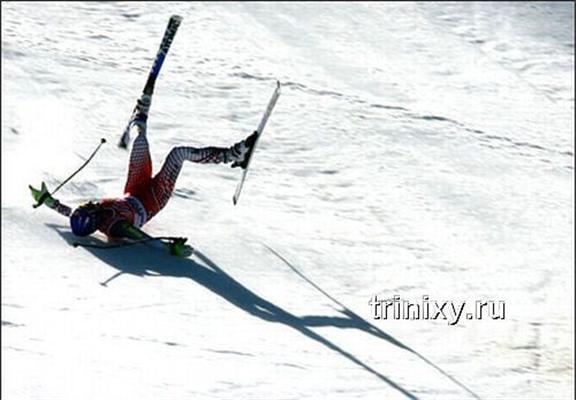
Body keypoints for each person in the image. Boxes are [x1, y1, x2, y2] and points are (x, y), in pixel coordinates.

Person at [29, 91, 258, 257]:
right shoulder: (116, 226)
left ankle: (140, 116)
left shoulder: (88, 214)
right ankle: (232, 156)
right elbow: (145, 240)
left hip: (135, 188)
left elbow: (67, 212)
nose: (90, 203)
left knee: (140, 142)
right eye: (89, 207)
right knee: (178, 154)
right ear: (93, 218)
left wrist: (47, 200)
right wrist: (170, 247)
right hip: (154, 198)